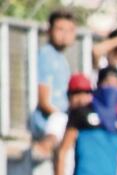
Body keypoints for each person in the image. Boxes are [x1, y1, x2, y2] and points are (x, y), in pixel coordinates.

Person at [33, 9, 76, 148]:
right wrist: (65, 117)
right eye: (60, 29)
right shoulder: (46, 55)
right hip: (47, 122)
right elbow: (44, 101)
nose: (65, 35)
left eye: (69, 30)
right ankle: (43, 148)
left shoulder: (61, 58)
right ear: (49, 31)